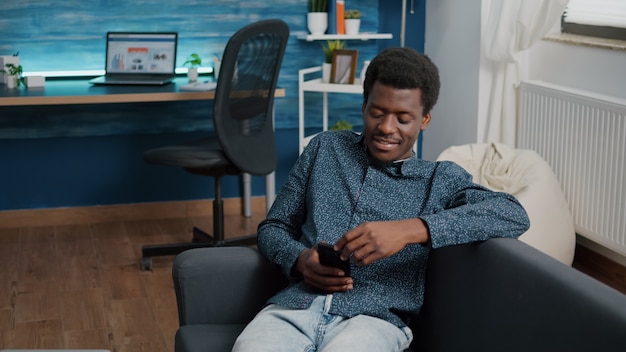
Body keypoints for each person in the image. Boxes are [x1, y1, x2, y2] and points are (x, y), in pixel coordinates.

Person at [232, 47, 530, 352]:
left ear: (424, 119)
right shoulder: (324, 149)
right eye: (377, 113)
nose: (387, 128)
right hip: (294, 308)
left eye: (403, 118)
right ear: (364, 106)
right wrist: (299, 260)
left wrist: (409, 230)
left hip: (373, 321)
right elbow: (273, 227)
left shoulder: (439, 179)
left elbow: (512, 213)